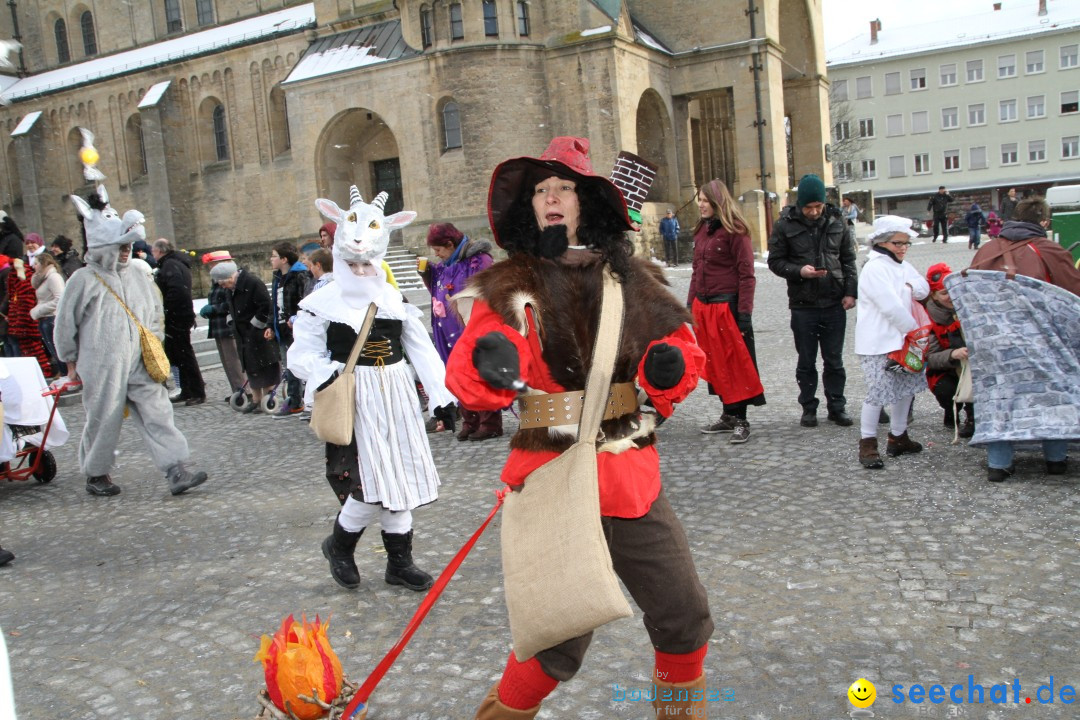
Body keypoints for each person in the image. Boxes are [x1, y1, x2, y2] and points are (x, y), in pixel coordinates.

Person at [446, 137, 712, 718]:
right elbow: (472, 373)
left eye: (563, 187)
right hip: (553, 474)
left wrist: (665, 368)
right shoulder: (510, 285)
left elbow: (680, 350)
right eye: (541, 190)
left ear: (586, 201)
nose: (551, 197)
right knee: (555, 638)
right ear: (530, 208)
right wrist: (495, 360)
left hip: (631, 479)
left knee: (684, 615)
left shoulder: (630, 280)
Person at [290, 186, 458, 592]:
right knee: (370, 481)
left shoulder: (393, 298)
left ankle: (398, 563)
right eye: (356, 266)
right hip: (355, 396)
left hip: (398, 393)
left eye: (369, 266)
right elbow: (299, 355)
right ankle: (341, 545)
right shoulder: (322, 302)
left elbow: (421, 349)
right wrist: (325, 375)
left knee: (400, 477)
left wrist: (442, 398)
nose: (363, 272)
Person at [54, 185, 208, 497]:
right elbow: (64, 323)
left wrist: (154, 342)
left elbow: (153, 310)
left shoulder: (138, 272)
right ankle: (97, 473)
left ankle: (175, 468)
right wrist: (69, 359)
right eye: (119, 246)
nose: (125, 251)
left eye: (127, 246)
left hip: (139, 358)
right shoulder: (83, 280)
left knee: (157, 411)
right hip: (102, 364)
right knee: (103, 418)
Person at [967, 195, 1080, 481]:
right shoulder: (1049, 250)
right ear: (1044, 222)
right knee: (1053, 393)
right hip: (1040, 341)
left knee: (999, 397)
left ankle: (999, 464)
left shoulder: (987, 251)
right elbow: (1072, 297)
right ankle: (1056, 459)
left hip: (993, 341)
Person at [767, 173, 858, 428]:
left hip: (833, 301)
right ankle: (808, 408)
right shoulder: (785, 223)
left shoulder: (837, 219)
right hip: (803, 304)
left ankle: (837, 407)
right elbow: (775, 261)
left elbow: (849, 260)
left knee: (834, 360)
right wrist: (799, 271)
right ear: (800, 205)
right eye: (809, 207)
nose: (814, 212)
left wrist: (851, 292)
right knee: (806, 361)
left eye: (818, 206)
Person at [689, 179, 765, 444]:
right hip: (704, 306)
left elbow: (747, 276)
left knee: (735, 365)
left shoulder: (736, 231)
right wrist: (690, 306)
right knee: (715, 363)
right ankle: (728, 414)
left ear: (718, 202)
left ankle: (741, 419)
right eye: (699, 199)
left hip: (727, 307)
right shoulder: (701, 231)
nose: (701, 204)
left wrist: (744, 312)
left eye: (706, 200)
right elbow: (696, 270)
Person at [854, 216, 930, 469]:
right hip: (879, 341)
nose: (902, 248)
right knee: (878, 392)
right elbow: (890, 306)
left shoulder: (901, 265)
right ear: (883, 242)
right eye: (897, 243)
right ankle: (867, 443)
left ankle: (898, 436)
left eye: (906, 243)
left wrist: (910, 286)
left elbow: (923, 287)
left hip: (903, 340)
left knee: (905, 389)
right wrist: (913, 331)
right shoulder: (875, 268)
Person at [419, 222, 500, 440]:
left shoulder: (479, 260)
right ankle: (470, 419)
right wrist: (427, 273)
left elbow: (488, 291)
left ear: (450, 244)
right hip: (450, 332)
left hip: (473, 328)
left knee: (478, 373)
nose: (437, 255)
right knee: (459, 373)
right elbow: (438, 287)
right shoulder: (448, 263)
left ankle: (489, 422)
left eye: (438, 250)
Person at [969, 196, 1080, 296]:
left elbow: (970, 288)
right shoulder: (1050, 250)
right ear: (1045, 222)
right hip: (1034, 316)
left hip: (988, 316)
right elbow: (1074, 291)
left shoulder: (986, 249)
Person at [211, 261, 280, 411]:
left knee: (264, 364)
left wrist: (255, 325)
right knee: (250, 366)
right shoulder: (231, 287)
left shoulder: (252, 283)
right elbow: (231, 307)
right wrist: (231, 321)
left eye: (223, 283)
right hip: (242, 332)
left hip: (257, 332)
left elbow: (266, 305)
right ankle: (256, 399)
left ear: (231, 277)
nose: (223, 287)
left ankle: (268, 395)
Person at [152, 238, 206, 406]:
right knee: (178, 355)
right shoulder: (172, 264)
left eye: (153, 251)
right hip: (179, 315)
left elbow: (177, 292)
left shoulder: (170, 265)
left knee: (184, 355)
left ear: (160, 251)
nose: (152, 254)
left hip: (177, 317)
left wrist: (167, 310)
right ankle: (187, 389)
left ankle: (196, 391)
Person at [923, 263, 974, 438]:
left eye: (953, 290)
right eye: (944, 293)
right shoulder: (928, 317)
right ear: (934, 295)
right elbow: (930, 357)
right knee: (945, 388)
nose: (951, 296)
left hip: (973, 365)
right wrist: (953, 354)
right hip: (947, 368)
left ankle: (973, 415)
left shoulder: (970, 306)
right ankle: (950, 409)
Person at [199, 250, 247, 399]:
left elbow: (231, 304)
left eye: (212, 264)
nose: (210, 268)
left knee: (234, 360)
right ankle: (236, 389)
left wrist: (215, 309)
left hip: (228, 326)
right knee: (227, 361)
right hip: (219, 326)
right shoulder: (217, 280)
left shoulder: (231, 278)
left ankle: (244, 390)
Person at [269, 242, 309, 417]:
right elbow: (275, 304)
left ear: (284, 259)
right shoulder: (277, 277)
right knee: (289, 366)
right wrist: (271, 325)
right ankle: (294, 400)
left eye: (274, 256)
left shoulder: (300, 275)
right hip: (282, 329)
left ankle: (300, 400)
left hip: (297, 328)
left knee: (301, 366)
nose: (271, 259)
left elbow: (304, 301)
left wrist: (297, 319)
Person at [6, 258, 50, 377]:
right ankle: (36, 372)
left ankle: (43, 371)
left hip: (27, 320)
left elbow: (27, 301)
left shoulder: (27, 281)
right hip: (20, 320)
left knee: (34, 347)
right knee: (26, 349)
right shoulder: (14, 281)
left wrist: (22, 318)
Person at [29, 250, 65, 377]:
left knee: (58, 349)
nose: (33, 266)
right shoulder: (43, 279)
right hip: (44, 319)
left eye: (36, 263)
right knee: (52, 349)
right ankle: (63, 373)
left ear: (44, 264)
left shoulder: (53, 277)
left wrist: (38, 310)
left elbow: (60, 299)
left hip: (52, 317)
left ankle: (66, 373)